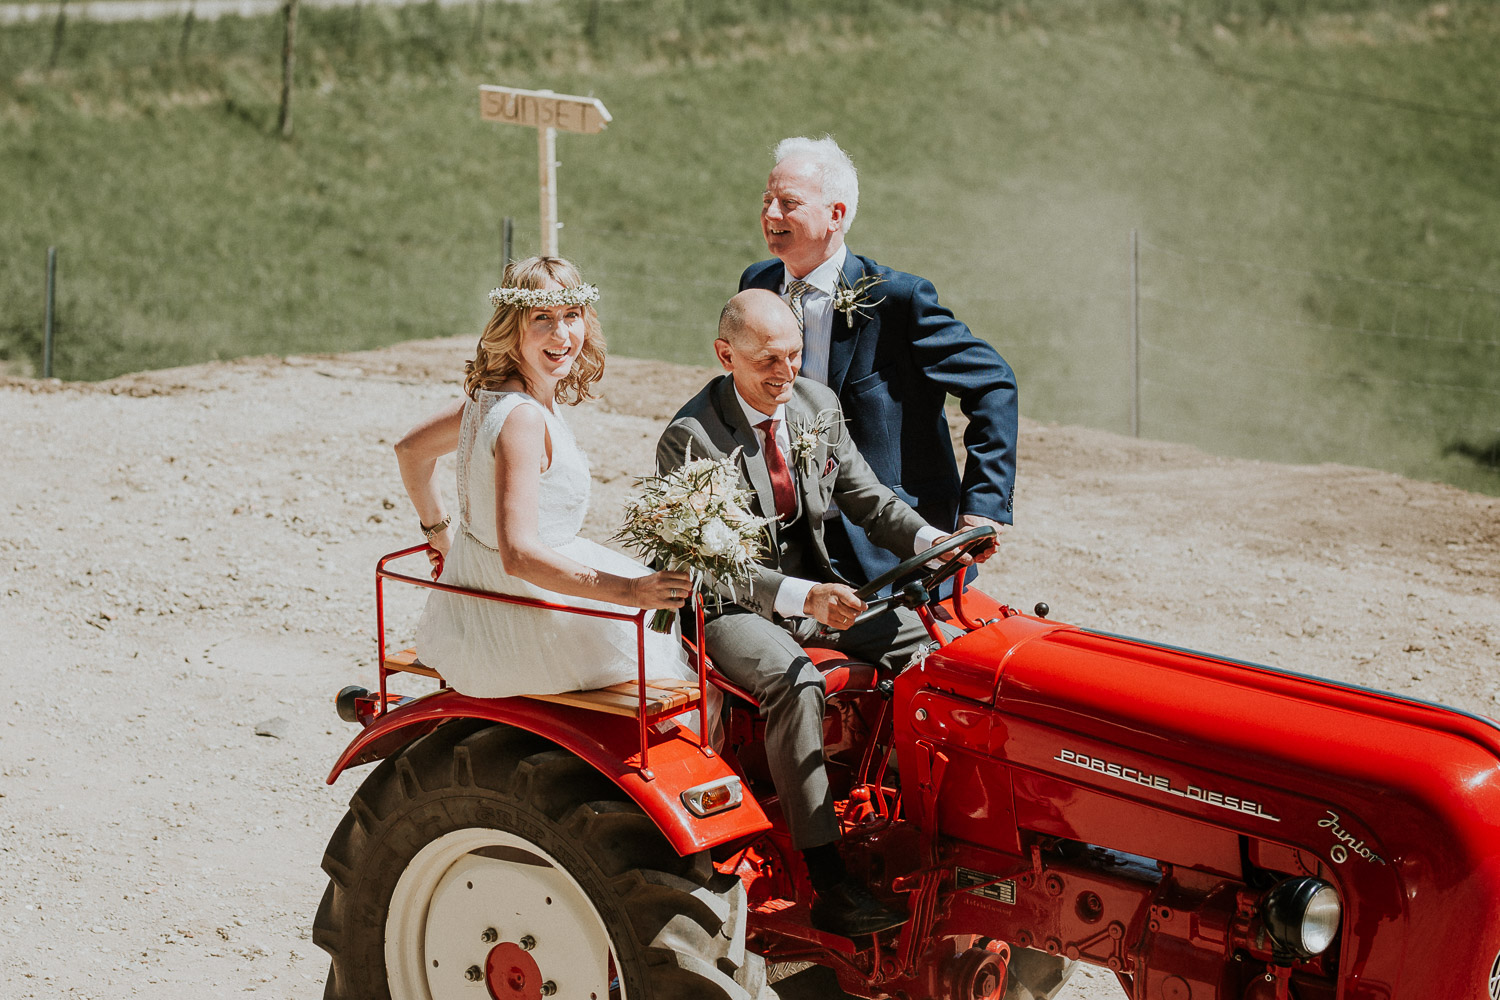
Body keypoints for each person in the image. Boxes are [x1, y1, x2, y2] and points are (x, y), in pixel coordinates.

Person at [657, 290, 986, 938]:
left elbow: (866, 497)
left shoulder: (814, 404)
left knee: (936, 652)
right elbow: (710, 564)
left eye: (794, 355)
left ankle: (937, 827)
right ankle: (827, 878)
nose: (785, 374)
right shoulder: (690, 438)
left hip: (819, 592)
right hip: (734, 606)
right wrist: (800, 597)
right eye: (766, 362)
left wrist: (932, 543)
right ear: (726, 355)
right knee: (794, 681)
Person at [396, 256, 702, 707]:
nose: (562, 336)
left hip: (479, 601)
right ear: (512, 326)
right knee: (680, 654)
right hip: (519, 621)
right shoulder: (520, 419)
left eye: (571, 316)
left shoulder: (487, 401)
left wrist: (438, 533)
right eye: (543, 318)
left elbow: (410, 450)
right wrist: (630, 592)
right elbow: (518, 556)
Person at [740, 135, 1018, 591]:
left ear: (836, 214)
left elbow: (994, 382)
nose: (771, 215)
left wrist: (983, 504)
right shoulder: (758, 283)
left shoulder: (899, 299)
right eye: (767, 200)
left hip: (888, 543)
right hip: (787, 533)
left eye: (788, 203)